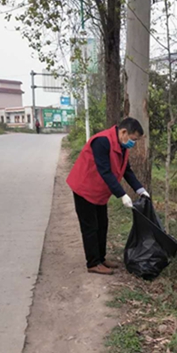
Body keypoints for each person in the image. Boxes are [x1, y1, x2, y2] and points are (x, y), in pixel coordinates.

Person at [67, 117, 150, 275]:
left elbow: (126, 170)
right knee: (90, 227)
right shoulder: (102, 141)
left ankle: (101, 258)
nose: (134, 143)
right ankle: (93, 263)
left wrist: (140, 189)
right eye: (133, 139)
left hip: (98, 191)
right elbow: (104, 170)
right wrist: (122, 195)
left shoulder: (122, 146)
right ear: (124, 132)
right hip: (84, 187)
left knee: (102, 224)